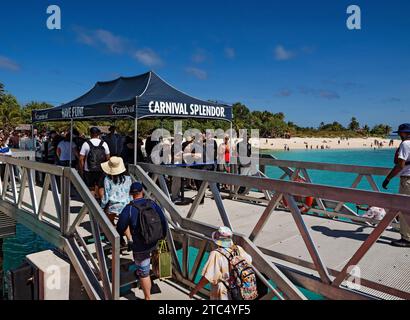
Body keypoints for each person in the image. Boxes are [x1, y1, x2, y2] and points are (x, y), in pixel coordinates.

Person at [116, 182, 168, 300]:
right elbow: (163, 221)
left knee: (144, 273)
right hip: (155, 241)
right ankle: (160, 275)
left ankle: (147, 297)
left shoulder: (129, 209)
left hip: (140, 246)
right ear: (142, 192)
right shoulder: (153, 204)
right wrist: (162, 238)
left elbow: (120, 226)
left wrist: (122, 239)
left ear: (131, 194)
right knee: (155, 262)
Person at [189, 226, 254, 300]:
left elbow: (207, 277)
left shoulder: (216, 254)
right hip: (240, 289)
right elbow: (249, 260)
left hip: (223, 292)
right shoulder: (238, 249)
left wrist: (194, 290)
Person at [382, 123, 410, 247]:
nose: (399, 135)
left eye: (400, 133)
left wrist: (388, 178)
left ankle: (406, 238)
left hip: (407, 179)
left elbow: (400, 165)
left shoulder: (405, 144)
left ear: (405, 133)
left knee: (404, 210)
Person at [100, 156, 133, 248]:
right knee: (125, 222)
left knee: (109, 221)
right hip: (126, 204)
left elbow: (106, 195)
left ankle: (118, 238)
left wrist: (102, 206)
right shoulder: (128, 178)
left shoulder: (107, 179)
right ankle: (130, 239)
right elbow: (129, 192)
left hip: (113, 205)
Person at [79, 127, 110, 201]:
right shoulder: (104, 144)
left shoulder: (86, 144)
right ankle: (102, 204)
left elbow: (81, 158)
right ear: (98, 134)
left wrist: (82, 169)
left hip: (89, 170)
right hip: (101, 169)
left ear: (90, 134)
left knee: (91, 188)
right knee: (101, 187)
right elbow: (108, 157)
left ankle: (92, 205)